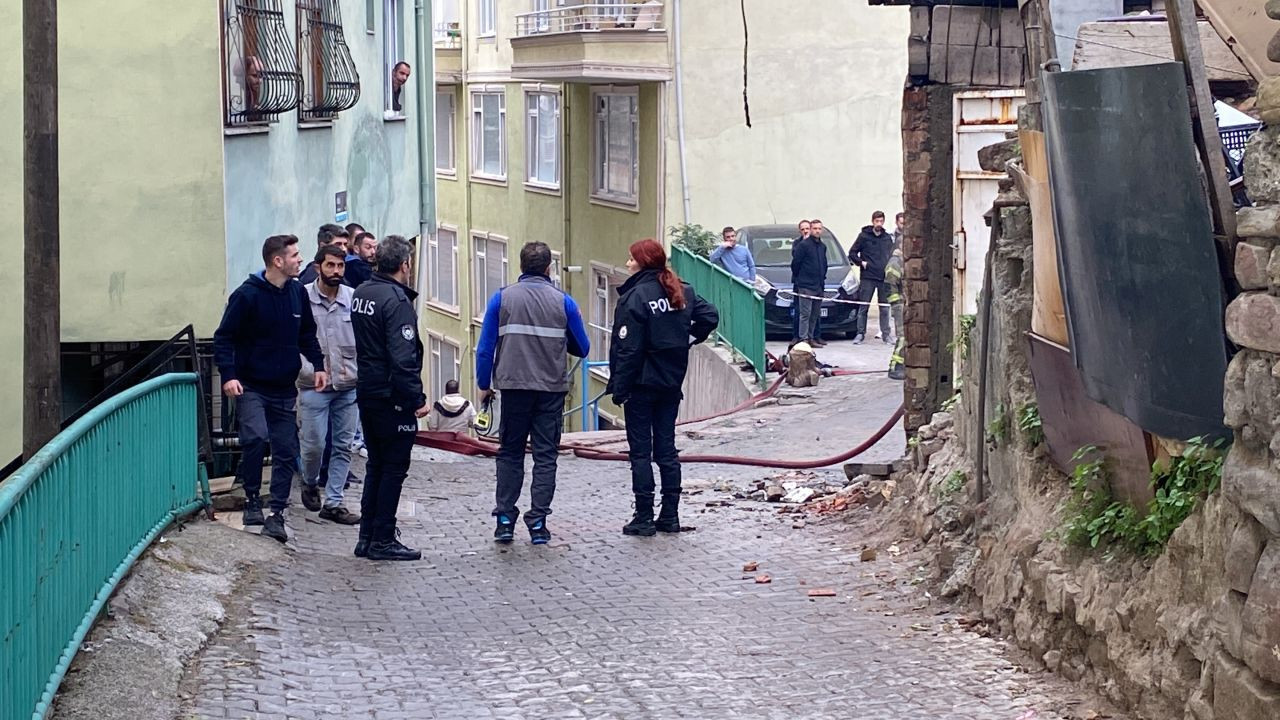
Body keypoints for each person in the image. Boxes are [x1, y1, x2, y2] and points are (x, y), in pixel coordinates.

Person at [213, 235, 327, 543]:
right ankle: (252, 498)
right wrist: (229, 375)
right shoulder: (247, 296)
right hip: (251, 384)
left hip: (284, 388)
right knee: (254, 438)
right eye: (295, 256)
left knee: (286, 449)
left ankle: (276, 511)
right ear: (278, 261)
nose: (300, 260)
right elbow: (224, 338)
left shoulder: (296, 294)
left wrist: (318, 366)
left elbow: (307, 334)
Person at [477, 242, 590, 546]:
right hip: (550, 390)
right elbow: (584, 347)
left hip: (513, 387)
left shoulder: (501, 299)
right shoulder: (563, 302)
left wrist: (483, 383)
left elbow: (486, 347)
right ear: (548, 268)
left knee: (510, 453)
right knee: (545, 456)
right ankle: (538, 522)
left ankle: (504, 520)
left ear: (521, 265)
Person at [608, 239, 719, 536]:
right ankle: (670, 515)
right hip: (671, 381)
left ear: (642, 262)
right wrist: (687, 336)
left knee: (641, 452)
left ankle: (643, 516)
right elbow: (710, 316)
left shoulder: (635, 297)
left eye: (631, 259)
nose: (628, 263)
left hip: (641, 384)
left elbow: (627, 349)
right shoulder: (681, 289)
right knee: (667, 449)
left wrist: (619, 387)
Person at [351, 235, 428, 561]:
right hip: (390, 397)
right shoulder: (396, 302)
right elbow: (402, 359)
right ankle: (382, 538)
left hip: (367, 391)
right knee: (393, 469)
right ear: (404, 264)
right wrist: (416, 399)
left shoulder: (362, 293)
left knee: (377, 467)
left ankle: (367, 536)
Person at [297, 245, 362, 525]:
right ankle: (310, 482)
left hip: (348, 384)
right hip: (314, 385)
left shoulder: (352, 298)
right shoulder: (302, 298)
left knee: (343, 446)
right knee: (313, 445)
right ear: (318, 267)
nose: (336, 271)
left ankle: (334, 502)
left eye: (340, 266)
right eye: (331, 266)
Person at [849, 211, 895, 345]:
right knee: (863, 307)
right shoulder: (864, 236)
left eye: (881, 221)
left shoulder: (887, 238)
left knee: (884, 308)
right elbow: (852, 253)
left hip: (883, 277)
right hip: (868, 277)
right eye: (877, 221)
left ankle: (886, 335)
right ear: (872, 221)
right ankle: (860, 334)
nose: (879, 224)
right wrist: (861, 262)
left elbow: (892, 254)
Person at [790, 218, 828, 347]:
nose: (817, 231)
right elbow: (795, 264)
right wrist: (800, 279)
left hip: (818, 285)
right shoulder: (803, 245)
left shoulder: (822, 246)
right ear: (811, 229)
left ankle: (811, 338)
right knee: (804, 314)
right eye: (815, 228)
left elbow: (824, 264)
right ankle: (803, 339)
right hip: (805, 285)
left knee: (815, 315)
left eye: (819, 229)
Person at [885, 246, 906, 380]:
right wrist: (897, 304)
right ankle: (895, 367)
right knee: (903, 337)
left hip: (904, 304)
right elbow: (889, 287)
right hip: (900, 305)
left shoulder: (902, 261)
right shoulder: (894, 263)